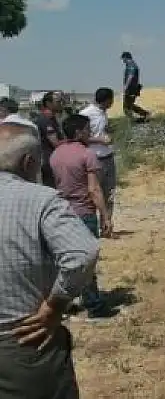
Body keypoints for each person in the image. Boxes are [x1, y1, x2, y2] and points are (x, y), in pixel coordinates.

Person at [0, 122, 99, 398]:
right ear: (29, 162)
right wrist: (56, 304)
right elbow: (82, 254)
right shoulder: (41, 199)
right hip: (23, 341)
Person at [50, 114, 114, 318]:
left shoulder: (56, 154)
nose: (90, 133)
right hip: (84, 212)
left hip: (62, 212)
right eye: (87, 130)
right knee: (87, 260)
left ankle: (65, 302)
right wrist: (105, 217)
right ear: (78, 132)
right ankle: (94, 305)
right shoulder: (87, 154)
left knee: (64, 259)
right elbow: (94, 189)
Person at [78, 89, 118, 230]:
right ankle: (90, 227)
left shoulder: (103, 113)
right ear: (107, 100)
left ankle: (106, 226)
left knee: (110, 192)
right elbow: (80, 137)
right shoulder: (86, 114)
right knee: (94, 193)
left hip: (108, 157)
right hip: (94, 159)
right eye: (111, 100)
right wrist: (99, 140)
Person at [34, 92, 64, 188]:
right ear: (48, 103)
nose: (61, 104)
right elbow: (55, 143)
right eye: (58, 102)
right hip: (49, 162)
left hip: (54, 159)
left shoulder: (52, 119)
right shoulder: (45, 120)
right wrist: (73, 141)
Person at [120, 52, 150, 122]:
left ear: (126, 57)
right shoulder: (132, 65)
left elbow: (130, 76)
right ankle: (144, 114)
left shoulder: (131, 65)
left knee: (126, 107)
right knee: (129, 105)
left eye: (123, 59)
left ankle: (132, 120)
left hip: (130, 89)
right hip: (132, 88)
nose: (123, 61)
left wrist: (126, 86)